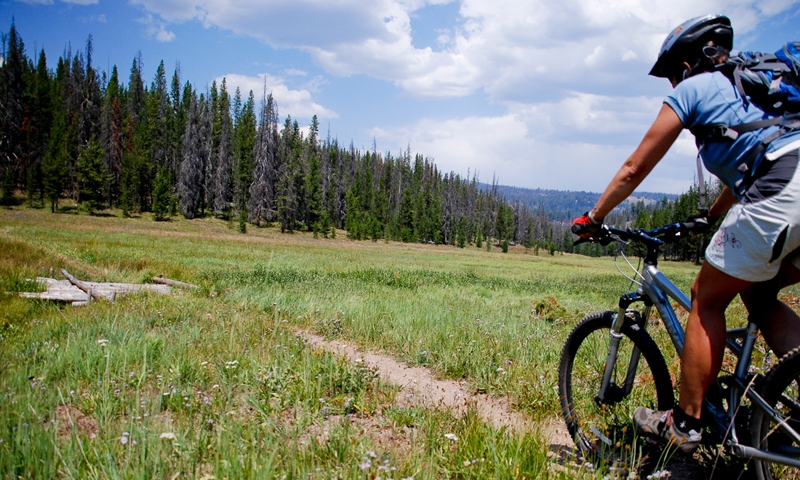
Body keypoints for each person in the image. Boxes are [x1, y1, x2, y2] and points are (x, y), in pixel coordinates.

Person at [572, 14, 800, 453]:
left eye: (674, 74)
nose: (674, 84)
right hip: (787, 185)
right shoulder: (756, 92)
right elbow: (755, 165)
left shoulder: (695, 90)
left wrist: (595, 216)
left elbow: (635, 167)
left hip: (781, 190)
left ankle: (686, 423)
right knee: (758, 293)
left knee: (705, 297)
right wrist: (710, 215)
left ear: (689, 64)